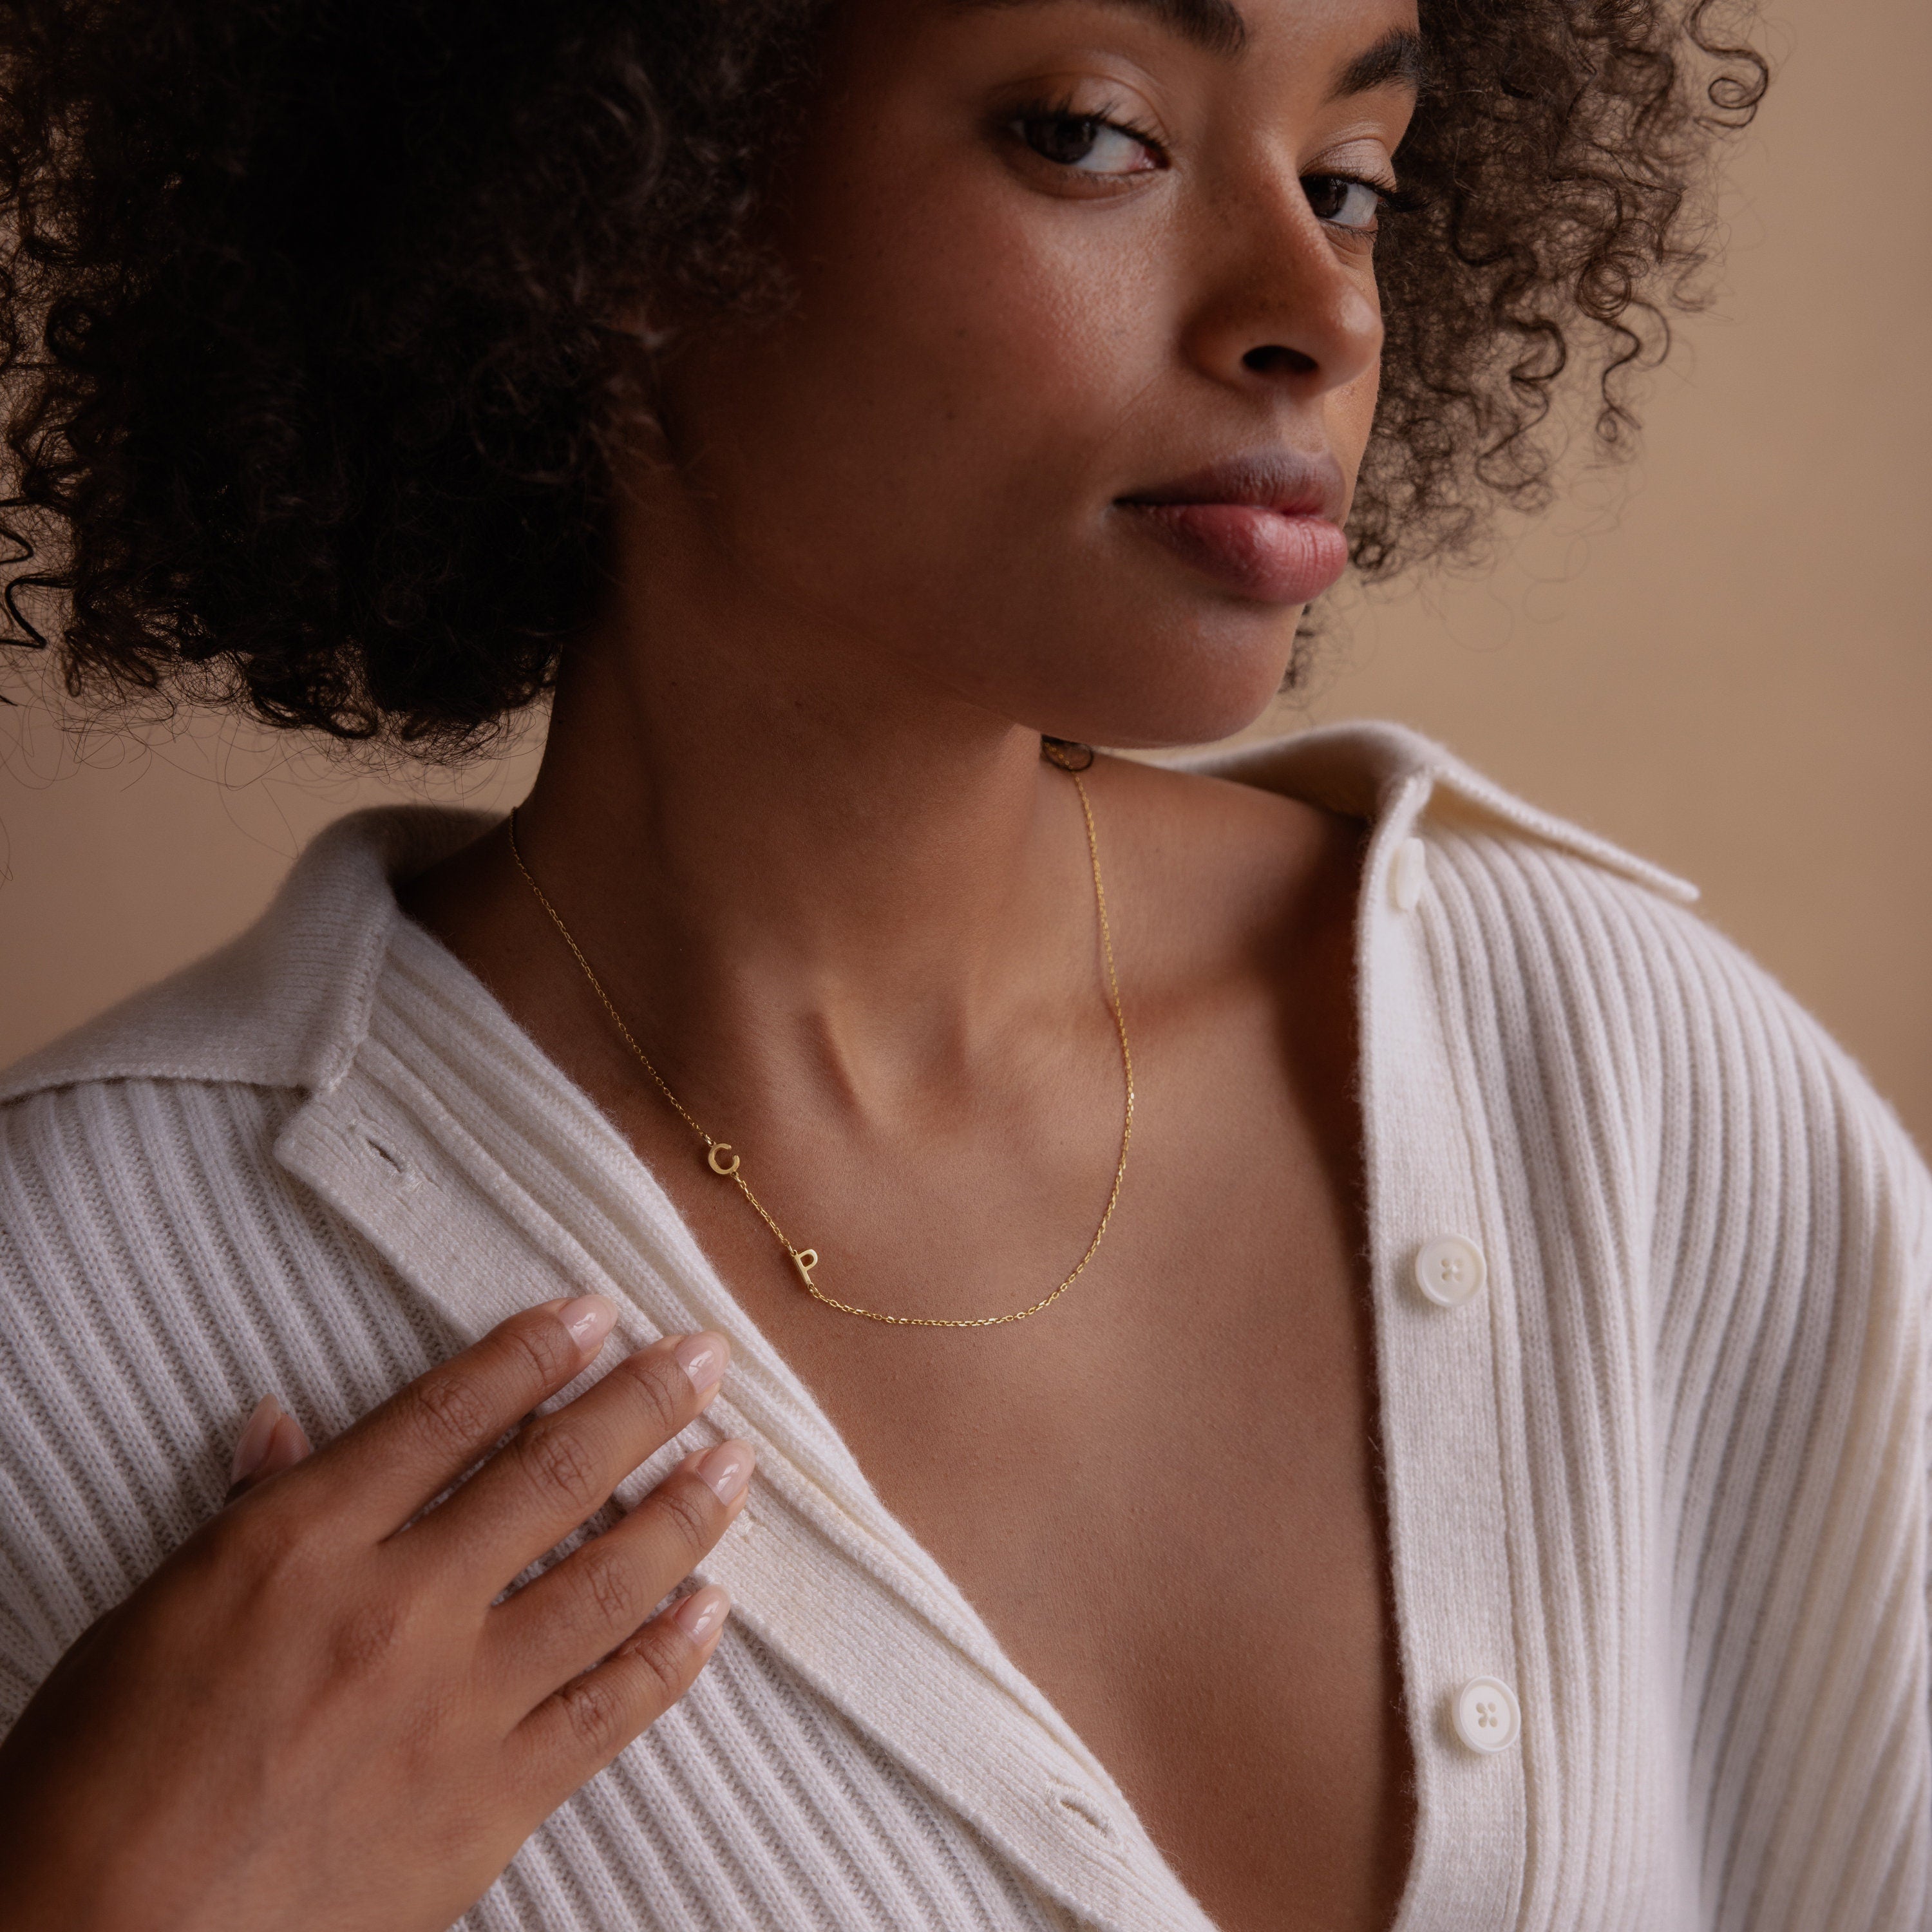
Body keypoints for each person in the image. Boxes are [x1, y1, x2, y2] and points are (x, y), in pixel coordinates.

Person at [0, 1, 1920, 1928]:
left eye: (1350, 183)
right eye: (1091, 136)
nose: (1320, 312)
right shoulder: (66, 1315)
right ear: (614, 200)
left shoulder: (1607, 1079)